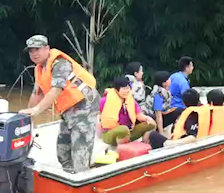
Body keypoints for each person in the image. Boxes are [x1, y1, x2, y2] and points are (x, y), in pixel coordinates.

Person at [18, 35, 99, 173]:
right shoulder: (39, 69)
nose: (34, 53)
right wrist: (27, 116)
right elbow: (37, 94)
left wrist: (37, 110)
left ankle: (82, 179)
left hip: (85, 106)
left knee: (80, 154)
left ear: (47, 48)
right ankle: (68, 179)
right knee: (63, 152)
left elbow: (56, 90)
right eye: (31, 51)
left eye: (37, 49)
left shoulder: (60, 63)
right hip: (68, 111)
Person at [100, 76, 156, 146]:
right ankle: (121, 149)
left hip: (129, 132)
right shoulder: (105, 100)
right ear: (116, 90)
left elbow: (138, 115)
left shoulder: (130, 99)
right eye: (123, 89)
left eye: (127, 88)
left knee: (151, 123)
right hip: (110, 133)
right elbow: (95, 113)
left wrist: (146, 118)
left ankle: (145, 145)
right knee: (123, 129)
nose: (126, 91)